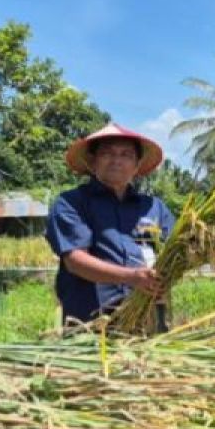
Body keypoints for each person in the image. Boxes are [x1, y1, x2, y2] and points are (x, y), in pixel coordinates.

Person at [46, 123, 174, 329]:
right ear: (92, 161)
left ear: (137, 164)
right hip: (91, 323)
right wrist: (132, 277)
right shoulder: (71, 203)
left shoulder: (154, 208)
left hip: (148, 318)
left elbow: (175, 253)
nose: (116, 160)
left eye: (126, 155)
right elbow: (75, 260)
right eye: (107, 153)